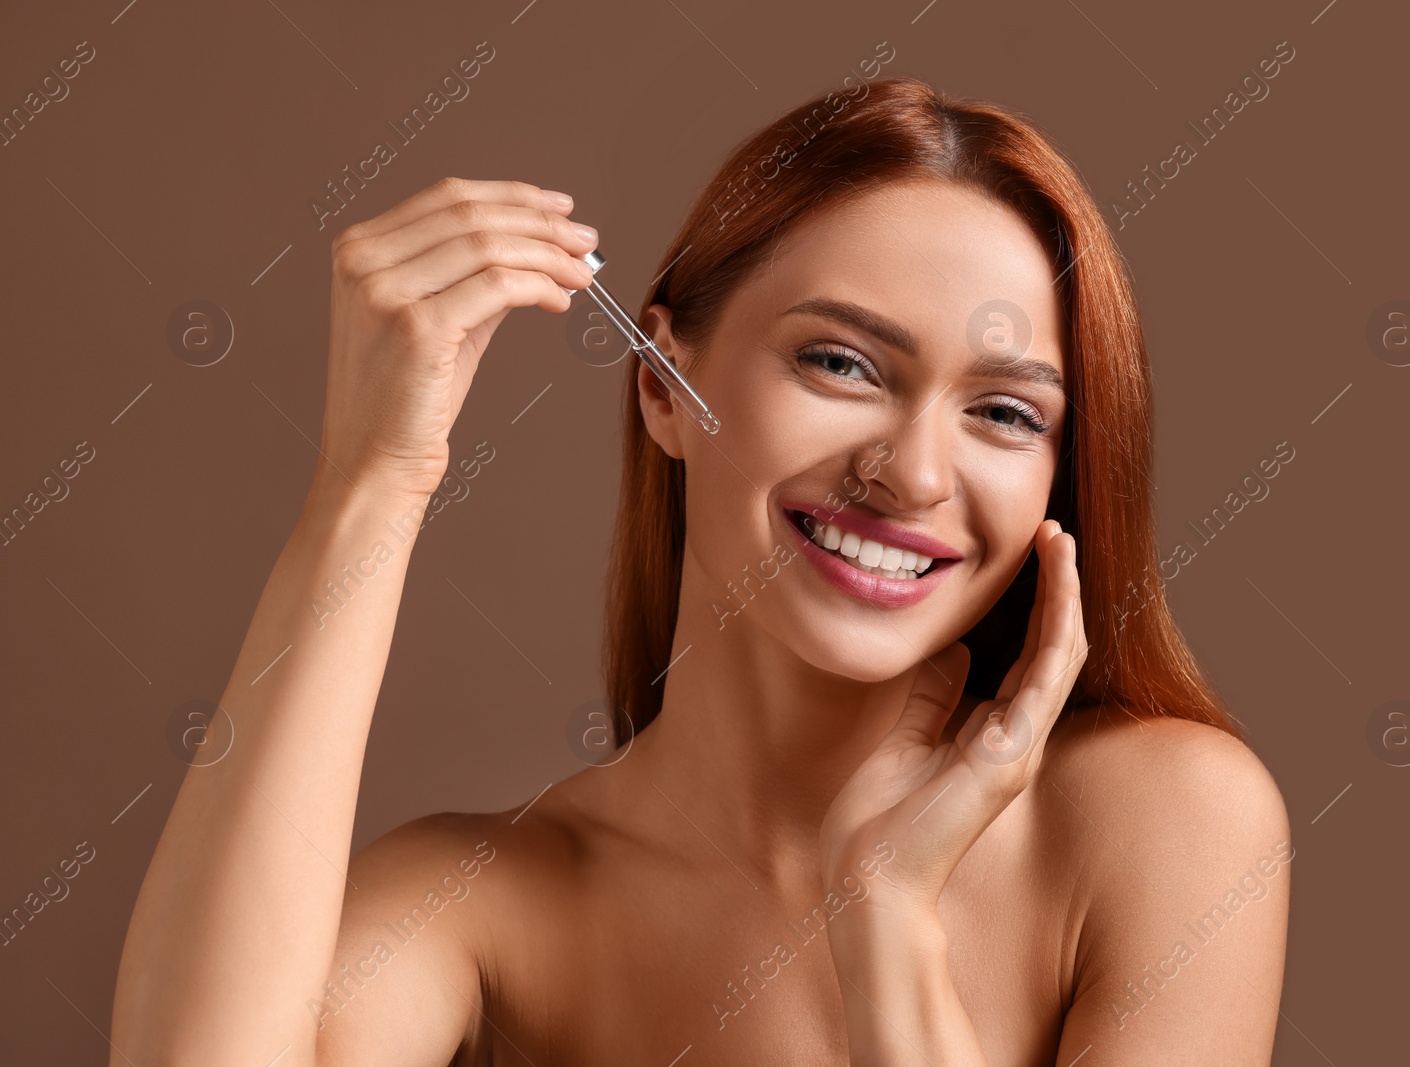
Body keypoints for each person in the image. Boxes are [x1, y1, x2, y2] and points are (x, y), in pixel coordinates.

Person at [110, 75, 1290, 1065]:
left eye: (1003, 413)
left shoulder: (1164, 820)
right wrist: (371, 483)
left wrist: (885, 925)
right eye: (840, 362)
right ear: (662, 384)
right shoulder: (493, 895)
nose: (915, 471)